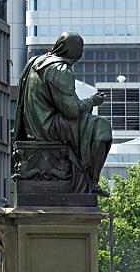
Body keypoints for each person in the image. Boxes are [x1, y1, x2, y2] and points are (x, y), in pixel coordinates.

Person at [14, 31, 112, 193]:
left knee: (93, 124)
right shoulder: (60, 69)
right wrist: (92, 102)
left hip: (33, 125)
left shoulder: (35, 62)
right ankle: (92, 182)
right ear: (75, 51)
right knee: (101, 127)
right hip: (49, 127)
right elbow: (71, 110)